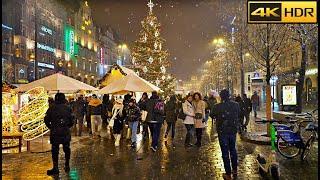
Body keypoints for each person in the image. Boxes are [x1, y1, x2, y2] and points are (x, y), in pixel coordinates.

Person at [211, 89, 240, 180]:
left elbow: (212, 115)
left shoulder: (217, 106)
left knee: (225, 151)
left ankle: (228, 173)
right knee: (233, 150)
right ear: (229, 96)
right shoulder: (236, 105)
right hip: (232, 130)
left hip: (222, 131)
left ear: (221, 96)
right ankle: (235, 170)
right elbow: (239, 114)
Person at [44, 93, 74, 175]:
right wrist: (67, 126)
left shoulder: (51, 108)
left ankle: (55, 168)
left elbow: (46, 120)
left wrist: (51, 127)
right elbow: (72, 121)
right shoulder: (68, 108)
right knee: (67, 148)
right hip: (65, 131)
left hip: (55, 132)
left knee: (55, 150)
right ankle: (67, 165)